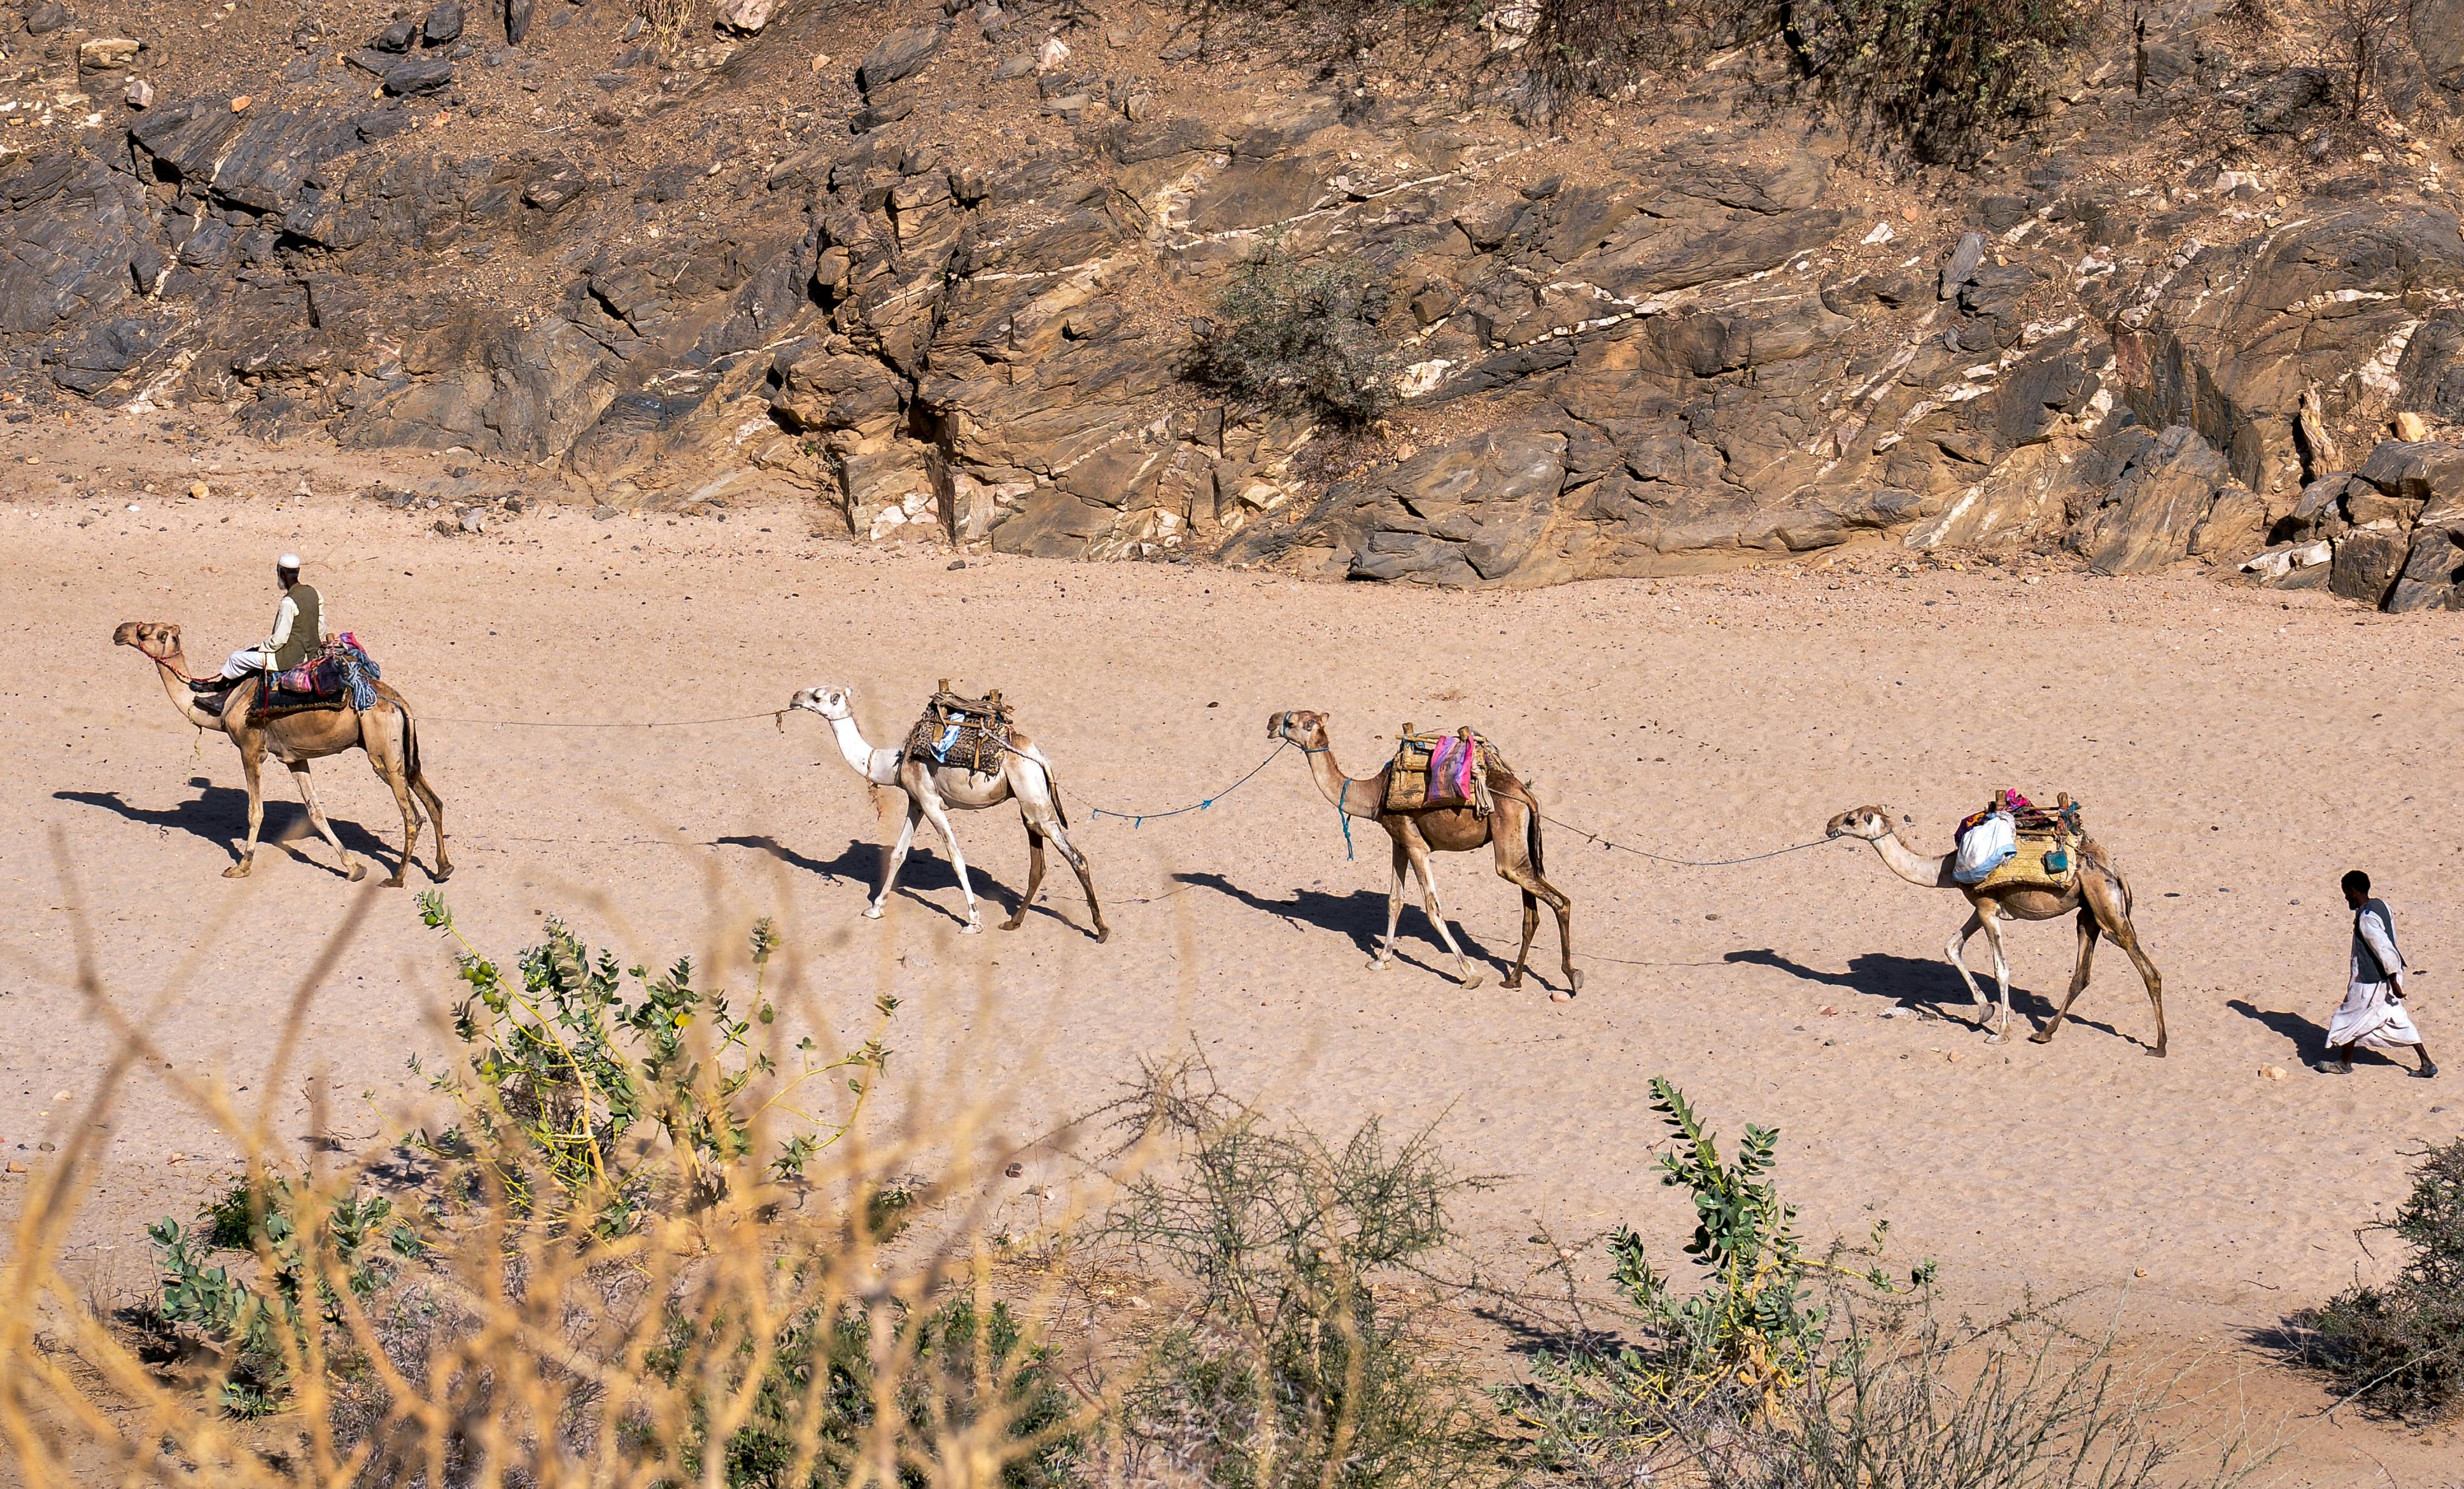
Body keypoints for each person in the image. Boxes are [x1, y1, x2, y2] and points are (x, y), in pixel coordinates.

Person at [2321, 870, 2437, 1078]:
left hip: (2372, 981)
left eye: (2346, 893)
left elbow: (2383, 948)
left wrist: (2393, 980)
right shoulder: (2382, 906)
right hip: (2387, 977)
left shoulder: (2366, 918)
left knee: (2347, 1018)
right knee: (2397, 1018)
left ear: (2353, 891)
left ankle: (2344, 1064)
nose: (2346, 898)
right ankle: (2427, 1062)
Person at [202, 555, 325, 699]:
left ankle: (219, 689)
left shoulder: (288, 602)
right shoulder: (315, 593)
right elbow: (321, 627)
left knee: (236, 658)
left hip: (289, 659)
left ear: (282, 573)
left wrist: (262, 647)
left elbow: (279, 639)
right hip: (313, 654)